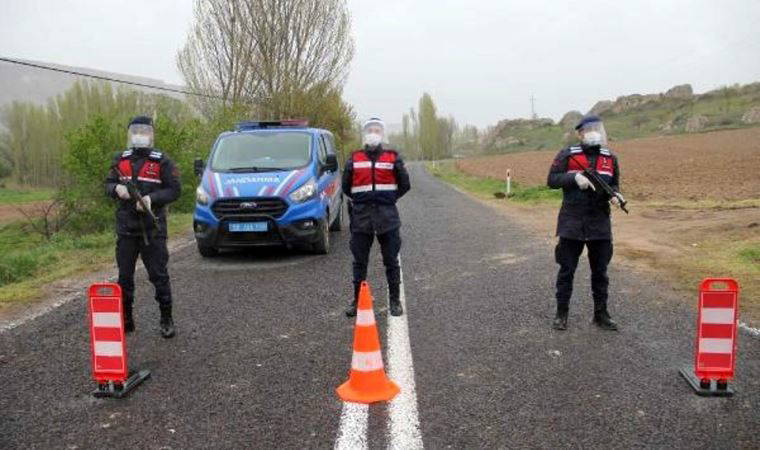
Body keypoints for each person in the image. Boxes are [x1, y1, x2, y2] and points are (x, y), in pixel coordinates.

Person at [104, 116, 181, 338]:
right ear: (130, 133)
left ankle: (166, 318)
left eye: (144, 131)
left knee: (159, 275)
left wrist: (151, 199)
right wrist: (116, 189)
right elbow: (107, 184)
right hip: (126, 230)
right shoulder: (120, 159)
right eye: (135, 131)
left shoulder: (162, 161)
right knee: (124, 278)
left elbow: (175, 190)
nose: (140, 135)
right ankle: (126, 319)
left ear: (151, 134)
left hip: (153, 229)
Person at [547, 115, 624, 331]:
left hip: (600, 223)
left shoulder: (610, 158)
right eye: (589, 129)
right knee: (566, 270)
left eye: (597, 128)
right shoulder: (568, 154)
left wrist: (616, 196)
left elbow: (614, 184)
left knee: (601, 272)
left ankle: (601, 314)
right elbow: (552, 180)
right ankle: (561, 313)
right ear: (580, 134)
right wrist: (574, 178)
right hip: (572, 222)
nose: (594, 132)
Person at [342, 118, 411, 317]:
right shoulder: (354, 158)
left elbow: (405, 185)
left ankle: (395, 300)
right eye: (370, 130)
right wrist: (361, 201)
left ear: (382, 134)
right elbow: (346, 187)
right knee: (359, 262)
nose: (373, 133)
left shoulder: (392, 157)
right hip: (361, 217)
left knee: (391, 261)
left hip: (387, 218)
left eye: (377, 130)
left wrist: (389, 199)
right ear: (365, 134)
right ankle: (357, 300)